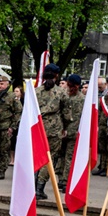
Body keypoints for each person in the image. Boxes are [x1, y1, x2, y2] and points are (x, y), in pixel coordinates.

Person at [34, 64, 65, 200]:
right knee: (49, 159)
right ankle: (39, 188)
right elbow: (66, 112)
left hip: (38, 129)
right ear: (56, 75)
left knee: (36, 157)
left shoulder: (36, 91)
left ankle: (33, 185)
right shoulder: (61, 92)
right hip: (54, 130)